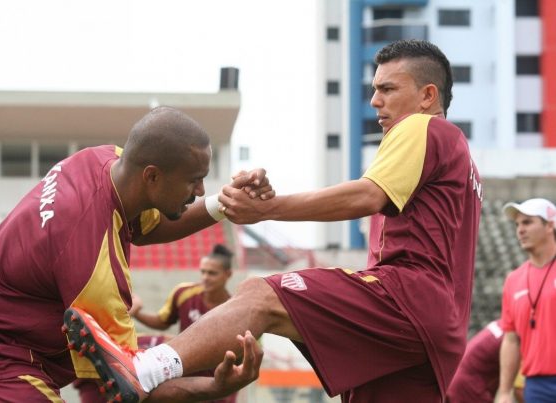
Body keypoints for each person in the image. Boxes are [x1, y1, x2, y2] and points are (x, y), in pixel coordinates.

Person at [68, 39, 483, 403]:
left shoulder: (423, 128)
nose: (375, 100)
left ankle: (145, 369)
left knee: (260, 295)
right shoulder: (460, 162)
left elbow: (366, 194)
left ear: (428, 95)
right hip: (436, 335)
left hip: (408, 299)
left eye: (387, 89)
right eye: (374, 89)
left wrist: (268, 208)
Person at [0, 106, 269, 401]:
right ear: (152, 176)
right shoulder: (91, 264)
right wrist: (215, 387)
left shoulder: (102, 160)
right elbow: (130, 384)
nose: (200, 191)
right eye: (193, 180)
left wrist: (226, 203)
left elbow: (149, 226)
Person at [75, 244, 238, 403]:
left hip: (210, 375)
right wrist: (137, 312)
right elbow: (162, 321)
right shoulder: (184, 293)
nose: (205, 278)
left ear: (228, 274)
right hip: (181, 366)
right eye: (203, 272)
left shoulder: (233, 310)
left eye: (212, 273)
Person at [496, 198, 556, 403]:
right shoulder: (513, 280)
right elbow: (511, 339)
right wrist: (504, 391)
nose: (520, 230)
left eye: (528, 222)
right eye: (517, 224)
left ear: (550, 225)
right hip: (536, 386)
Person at [446, 319, 525, 403]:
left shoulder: (505, 324)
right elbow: (519, 388)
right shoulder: (515, 337)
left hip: (455, 381)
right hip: (470, 388)